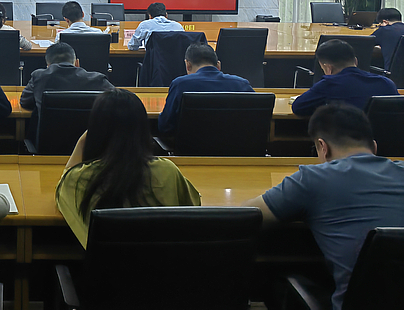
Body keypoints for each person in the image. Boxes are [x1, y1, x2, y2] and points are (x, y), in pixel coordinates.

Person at [246, 103, 404, 310]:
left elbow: (246, 218)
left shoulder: (312, 179)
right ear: (374, 147)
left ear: (323, 147)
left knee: (274, 283)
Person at [55, 89, 201, 247]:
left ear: (95, 132)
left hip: (109, 263)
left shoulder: (79, 179)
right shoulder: (167, 171)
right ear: (144, 130)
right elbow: (193, 206)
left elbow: (63, 184)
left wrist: (83, 141)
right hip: (164, 262)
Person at [20, 42, 114, 140]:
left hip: (49, 144)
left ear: (48, 65)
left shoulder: (39, 77)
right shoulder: (97, 79)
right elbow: (118, 101)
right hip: (88, 145)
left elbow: (25, 102)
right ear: (77, 63)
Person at [158, 43, 254, 135]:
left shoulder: (180, 85)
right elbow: (257, 119)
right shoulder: (242, 84)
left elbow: (165, 126)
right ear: (218, 65)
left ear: (188, 65)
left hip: (190, 145)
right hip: (234, 145)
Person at [292, 39, 398, 116]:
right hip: (385, 139)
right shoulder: (386, 83)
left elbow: (298, 107)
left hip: (347, 139)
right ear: (355, 61)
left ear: (328, 68)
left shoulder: (329, 84)